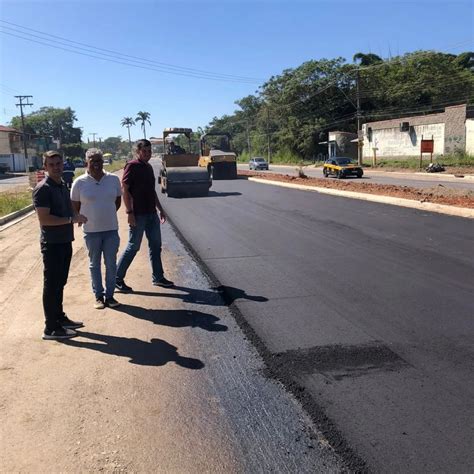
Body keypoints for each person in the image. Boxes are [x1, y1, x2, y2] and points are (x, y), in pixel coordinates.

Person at [33, 150, 88, 340]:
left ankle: (59, 318)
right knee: (52, 284)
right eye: (52, 164)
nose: (56, 167)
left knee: (60, 283)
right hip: (52, 244)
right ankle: (51, 328)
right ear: (45, 167)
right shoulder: (43, 188)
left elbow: (68, 207)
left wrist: (75, 215)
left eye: (59, 163)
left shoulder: (62, 184)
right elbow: (45, 219)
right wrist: (71, 219)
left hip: (65, 241)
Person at [116, 139, 174, 292]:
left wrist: (160, 209)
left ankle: (158, 277)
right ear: (138, 152)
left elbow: (151, 191)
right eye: (144, 151)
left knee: (156, 246)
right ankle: (117, 278)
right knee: (133, 247)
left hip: (151, 214)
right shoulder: (132, 166)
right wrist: (129, 212)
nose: (147, 154)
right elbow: (125, 190)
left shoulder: (148, 167)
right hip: (138, 215)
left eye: (149, 151)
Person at [71, 148, 122, 309]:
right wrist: (82, 216)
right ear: (87, 162)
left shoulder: (113, 179)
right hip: (91, 231)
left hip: (111, 229)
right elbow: (75, 206)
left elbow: (117, 202)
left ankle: (110, 296)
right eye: (93, 161)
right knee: (95, 264)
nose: (97, 164)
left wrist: (105, 214)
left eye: (99, 160)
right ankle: (98, 296)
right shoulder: (79, 182)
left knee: (111, 264)